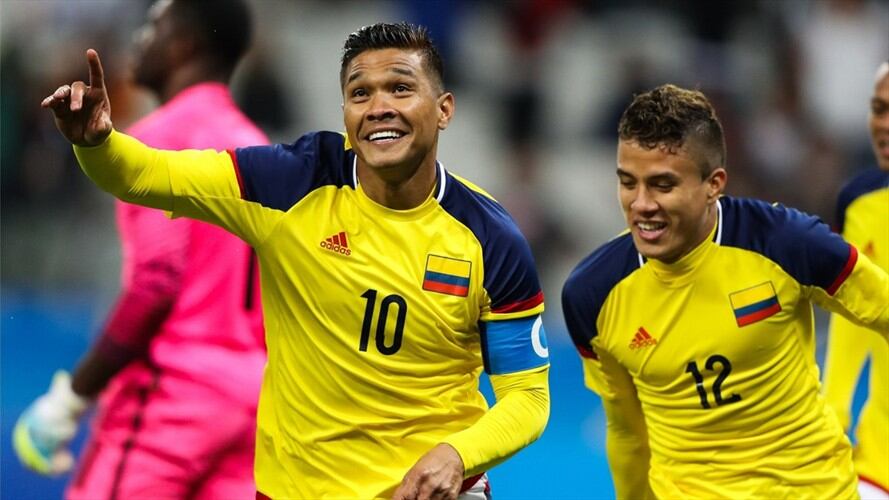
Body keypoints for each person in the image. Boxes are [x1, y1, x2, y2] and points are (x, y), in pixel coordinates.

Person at [39, 22, 551, 500]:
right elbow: (147, 175)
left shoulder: (491, 239)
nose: (378, 106)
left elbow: (527, 397)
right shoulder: (291, 183)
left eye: (399, 88)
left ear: (443, 109)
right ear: (346, 119)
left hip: (433, 490)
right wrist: (98, 143)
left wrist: (458, 455)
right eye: (359, 93)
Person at [561, 84, 889, 499]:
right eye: (628, 182)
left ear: (714, 183)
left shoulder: (787, 243)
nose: (641, 204)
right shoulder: (591, 295)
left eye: (663, 185)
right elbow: (627, 428)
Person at [13, 0, 267, 498]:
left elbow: (157, 283)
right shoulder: (257, 145)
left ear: (184, 44)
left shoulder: (159, 141)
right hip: (252, 402)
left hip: (176, 395)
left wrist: (68, 400)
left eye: (154, 25)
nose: (139, 37)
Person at [822, 61, 889, 500]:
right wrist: (832, 415)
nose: (883, 124)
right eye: (878, 108)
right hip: (878, 462)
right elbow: (853, 315)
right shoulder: (860, 203)